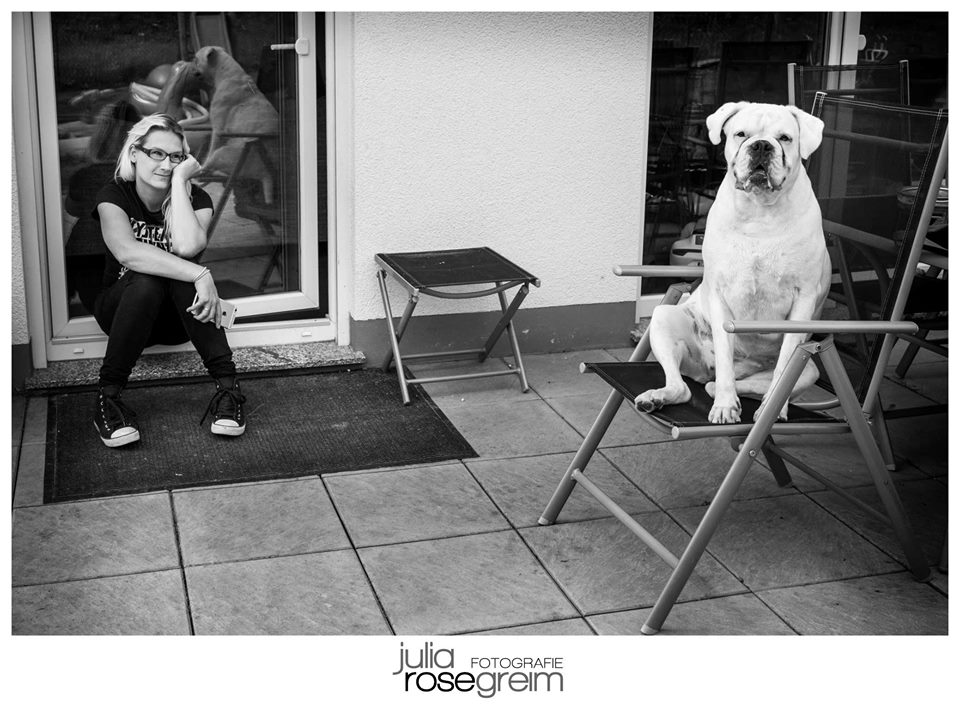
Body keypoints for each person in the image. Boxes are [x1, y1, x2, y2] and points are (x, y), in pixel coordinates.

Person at [91, 113, 246, 447]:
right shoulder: (114, 195)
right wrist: (201, 274)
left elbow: (188, 246)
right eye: (156, 153)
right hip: (123, 313)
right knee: (151, 275)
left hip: (178, 320)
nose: (165, 163)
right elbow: (128, 253)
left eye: (175, 156)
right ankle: (107, 396)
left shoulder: (197, 199)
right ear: (134, 152)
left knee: (178, 272)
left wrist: (179, 184)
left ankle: (229, 391)